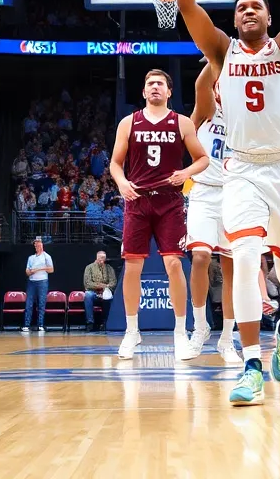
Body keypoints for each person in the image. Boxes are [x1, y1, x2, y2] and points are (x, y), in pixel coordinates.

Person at [177, 0, 280, 406]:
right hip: (240, 170)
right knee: (246, 254)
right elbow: (188, 6)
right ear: (233, 22)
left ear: (268, 16)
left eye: (255, 5)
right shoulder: (220, 53)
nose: (246, 10)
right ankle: (251, 363)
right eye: (239, 8)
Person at [110, 68, 208, 360]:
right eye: (150, 83)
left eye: (160, 84)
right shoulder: (129, 123)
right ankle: (131, 331)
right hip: (137, 201)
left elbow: (202, 159)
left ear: (169, 92)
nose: (154, 87)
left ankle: (180, 332)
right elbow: (116, 163)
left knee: (175, 266)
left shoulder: (183, 122)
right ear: (143, 92)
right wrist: (122, 182)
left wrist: (185, 173)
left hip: (169, 201)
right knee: (132, 267)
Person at [184, 62, 241, 364]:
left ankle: (227, 338)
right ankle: (200, 326)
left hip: (234, 193)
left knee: (231, 268)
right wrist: (216, 57)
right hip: (203, 191)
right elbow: (199, 86)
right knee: (201, 257)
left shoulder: (244, 113)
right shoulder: (206, 110)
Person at [23, 236, 53, 333]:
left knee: (41, 303)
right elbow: (27, 271)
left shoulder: (47, 256)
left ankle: (40, 324)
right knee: (29, 304)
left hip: (42, 281)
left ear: (42, 245)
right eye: (35, 244)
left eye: (38, 243)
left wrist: (39, 269)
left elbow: (51, 269)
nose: (37, 245)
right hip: (32, 282)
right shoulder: (31, 258)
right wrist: (32, 272)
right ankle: (27, 325)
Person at [82, 250, 117, 331]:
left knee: (108, 297)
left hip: (106, 291)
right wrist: (100, 286)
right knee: (87, 295)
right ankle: (90, 323)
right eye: (101, 258)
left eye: (104, 258)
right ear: (97, 258)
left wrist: (105, 288)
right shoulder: (89, 267)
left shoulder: (109, 268)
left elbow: (113, 281)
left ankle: (105, 323)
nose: (102, 260)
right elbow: (87, 283)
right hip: (93, 292)